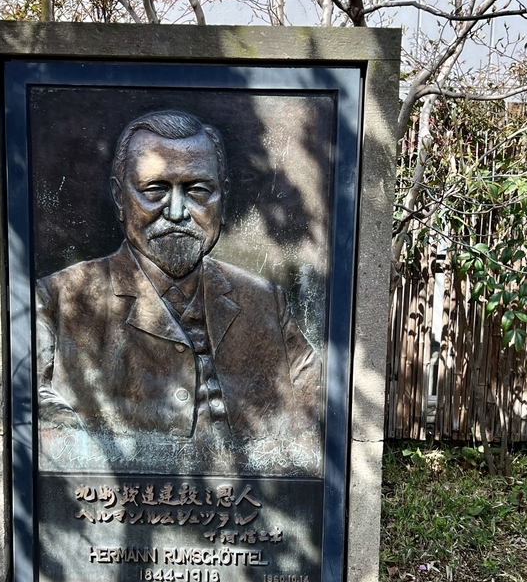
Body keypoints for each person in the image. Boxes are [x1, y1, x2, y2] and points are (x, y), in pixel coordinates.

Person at [35, 110, 322, 476]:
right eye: (154, 190)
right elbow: (39, 437)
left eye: (198, 190)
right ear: (119, 197)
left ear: (223, 199)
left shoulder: (266, 302)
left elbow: (319, 427)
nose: (176, 211)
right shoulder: (56, 302)